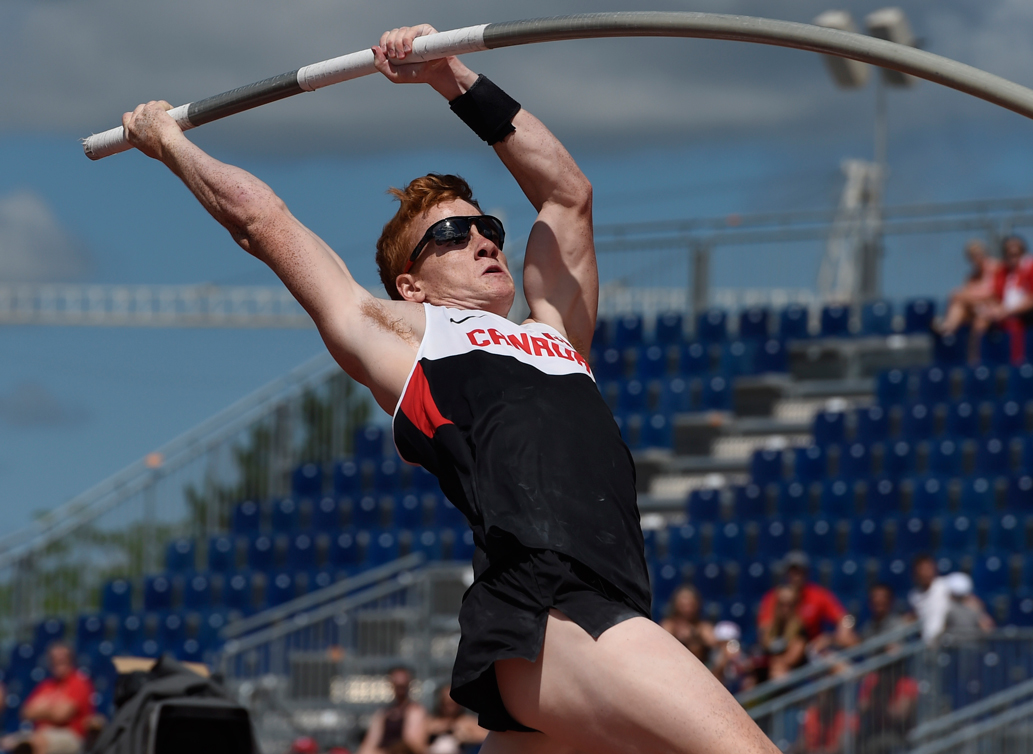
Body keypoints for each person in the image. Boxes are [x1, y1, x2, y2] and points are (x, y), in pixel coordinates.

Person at [119, 22, 779, 754]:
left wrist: (450, 76)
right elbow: (262, 223)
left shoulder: (558, 333)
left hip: (597, 611)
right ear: (411, 284)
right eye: (451, 236)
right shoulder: (404, 339)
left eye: (485, 225)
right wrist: (169, 143)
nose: (482, 239)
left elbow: (567, 196)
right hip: (551, 610)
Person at [973, 235, 1033, 363]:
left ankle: (1020, 360)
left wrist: (1005, 311)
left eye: (1016, 254)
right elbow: (996, 294)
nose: (1013, 258)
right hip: (1024, 312)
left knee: (1020, 319)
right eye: (1009, 254)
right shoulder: (1006, 273)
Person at [756, 552, 858, 654]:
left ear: (807, 573)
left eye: (800, 572)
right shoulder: (774, 596)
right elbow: (764, 629)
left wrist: (839, 634)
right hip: (782, 648)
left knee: (838, 659)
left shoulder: (818, 595)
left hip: (812, 648)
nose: (796, 576)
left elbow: (845, 618)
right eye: (792, 571)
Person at [1, 644, 94, 754]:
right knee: (7, 742)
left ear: (70, 659)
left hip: (72, 735)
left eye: (62, 658)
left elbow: (62, 715)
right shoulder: (46, 685)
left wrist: (43, 706)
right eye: (54, 659)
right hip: (40, 732)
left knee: (38, 742)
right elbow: (26, 712)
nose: (58, 661)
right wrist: (53, 708)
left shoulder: (78, 682)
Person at [934, 239, 1000, 336]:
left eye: (978, 254)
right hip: (976, 308)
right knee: (958, 305)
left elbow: (994, 292)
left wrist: (964, 295)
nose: (976, 258)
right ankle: (947, 331)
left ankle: (948, 328)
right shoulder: (971, 276)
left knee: (957, 296)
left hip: (993, 305)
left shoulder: (995, 268)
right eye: (972, 256)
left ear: (985, 253)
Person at [358, 666, 428, 754]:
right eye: (397, 684)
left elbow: (412, 745)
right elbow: (369, 744)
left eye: (403, 685)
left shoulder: (416, 711)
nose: (400, 689)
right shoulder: (382, 713)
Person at [661, 585, 717, 663]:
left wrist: (695, 635)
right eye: (683, 605)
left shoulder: (703, 626)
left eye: (690, 605)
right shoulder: (670, 625)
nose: (687, 609)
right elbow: (662, 643)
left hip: (702, 665)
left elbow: (713, 642)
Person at [426, 684, 488, 754]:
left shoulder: (467, 722)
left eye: (453, 704)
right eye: (447, 703)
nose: (450, 707)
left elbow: (487, 737)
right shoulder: (431, 722)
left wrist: (468, 737)